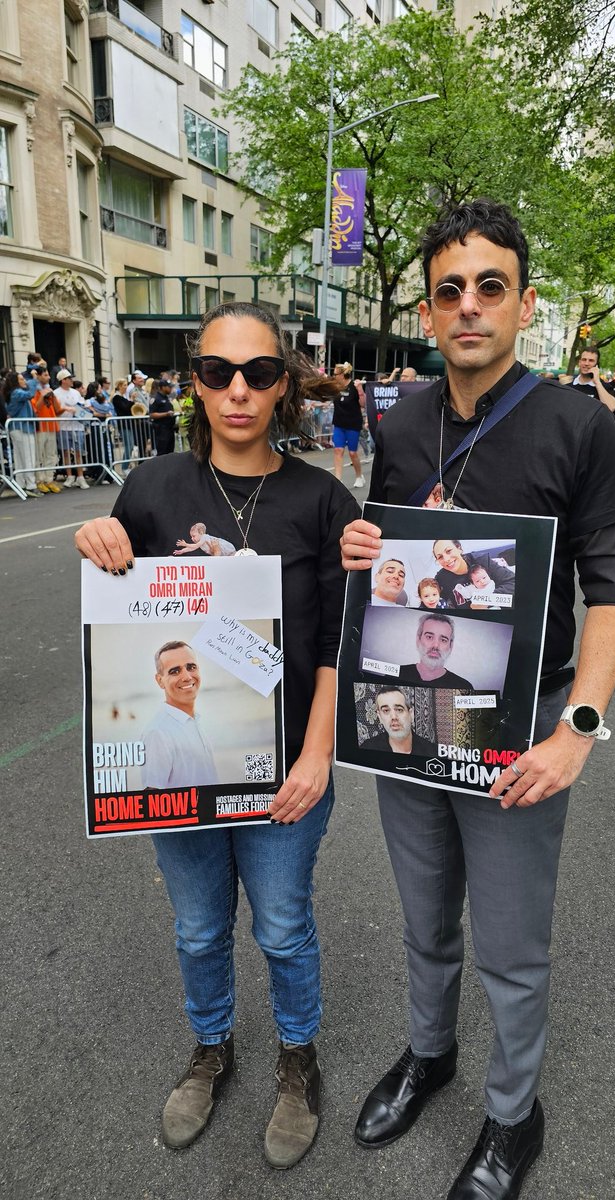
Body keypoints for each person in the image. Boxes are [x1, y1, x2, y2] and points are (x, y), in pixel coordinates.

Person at [340, 199, 615, 1200]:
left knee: (510, 947)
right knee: (424, 918)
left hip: (522, 729)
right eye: (448, 291)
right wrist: (364, 550)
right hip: (410, 713)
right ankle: (430, 1057)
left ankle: (514, 1114)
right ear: (428, 315)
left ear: (522, 304)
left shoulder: (576, 423)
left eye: (489, 287)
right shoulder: (404, 418)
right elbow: (390, 547)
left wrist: (578, 732)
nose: (467, 306)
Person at [74, 300, 360, 1170]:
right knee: (199, 929)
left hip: (285, 773)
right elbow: (120, 612)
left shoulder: (322, 499)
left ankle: (297, 1060)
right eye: (216, 372)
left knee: (280, 925)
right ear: (193, 381)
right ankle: (213, 1047)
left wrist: (317, 756)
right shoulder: (154, 488)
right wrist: (98, 541)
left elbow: (332, 650)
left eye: (260, 373)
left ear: (288, 384)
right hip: (181, 776)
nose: (237, 390)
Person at [142, 642, 218, 789]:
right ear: (160, 681)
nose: (187, 677)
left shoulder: (195, 720)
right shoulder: (158, 733)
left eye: (191, 667)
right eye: (175, 671)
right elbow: (151, 800)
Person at [433, 539, 515, 609]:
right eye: (440, 557)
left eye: (448, 551)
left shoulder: (482, 560)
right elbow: (431, 599)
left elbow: (513, 582)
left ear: (459, 548)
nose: (446, 559)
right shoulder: (441, 579)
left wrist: (487, 600)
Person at [398, 614, 473, 689]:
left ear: (451, 646)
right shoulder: (397, 673)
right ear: (418, 640)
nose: (436, 645)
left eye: (443, 640)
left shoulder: (464, 687)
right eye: (429, 637)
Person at [1, 371, 43, 497]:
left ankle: (21, 484)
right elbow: (30, 394)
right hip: (22, 428)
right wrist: (35, 379)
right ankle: (30, 485)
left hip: (17, 428)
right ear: (16, 382)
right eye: (21, 379)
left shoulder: (14, 393)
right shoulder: (17, 393)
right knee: (28, 456)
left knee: (20, 458)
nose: (24, 381)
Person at [361, 688, 437, 756]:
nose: (393, 717)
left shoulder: (432, 752)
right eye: (386, 710)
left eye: (399, 710)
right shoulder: (367, 748)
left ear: (411, 714)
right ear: (380, 717)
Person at [53, 369, 89, 489]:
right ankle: (69, 476)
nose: (71, 380)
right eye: (69, 378)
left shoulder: (75, 393)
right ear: (63, 380)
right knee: (66, 452)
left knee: (79, 452)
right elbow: (56, 410)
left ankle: (80, 477)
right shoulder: (56, 393)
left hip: (77, 426)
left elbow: (81, 406)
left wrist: (78, 411)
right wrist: (66, 409)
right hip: (63, 425)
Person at [332, 362, 365, 489]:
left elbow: (362, 404)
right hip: (339, 424)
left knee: (352, 453)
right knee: (338, 450)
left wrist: (360, 390)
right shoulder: (335, 386)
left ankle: (359, 476)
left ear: (343, 374)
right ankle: (338, 479)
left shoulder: (354, 386)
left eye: (336, 374)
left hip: (352, 424)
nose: (334, 376)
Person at [31, 365, 63, 493]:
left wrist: (52, 396)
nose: (48, 377)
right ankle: (40, 480)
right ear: (38, 376)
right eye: (45, 375)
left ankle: (49, 479)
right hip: (40, 427)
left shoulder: (49, 390)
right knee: (40, 455)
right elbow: (36, 409)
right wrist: (42, 396)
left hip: (51, 425)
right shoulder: (34, 390)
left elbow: (57, 409)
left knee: (51, 455)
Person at [570, 347, 615, 412]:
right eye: (584, 359)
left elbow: (611, 408)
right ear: (579, 362)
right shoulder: (568, 386)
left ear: (597, 365)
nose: (586, 363)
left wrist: (597, 382)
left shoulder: (604, 387)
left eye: (591, 360)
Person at [149, 378, 177, 455]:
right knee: (162, 452)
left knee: (170, 452)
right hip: (161, 430)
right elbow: (152, 415)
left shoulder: (166, 397)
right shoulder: (156, 398)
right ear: (163, 387)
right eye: (169, 387)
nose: (171, 389)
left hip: (170, 429)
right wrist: (166, 414)